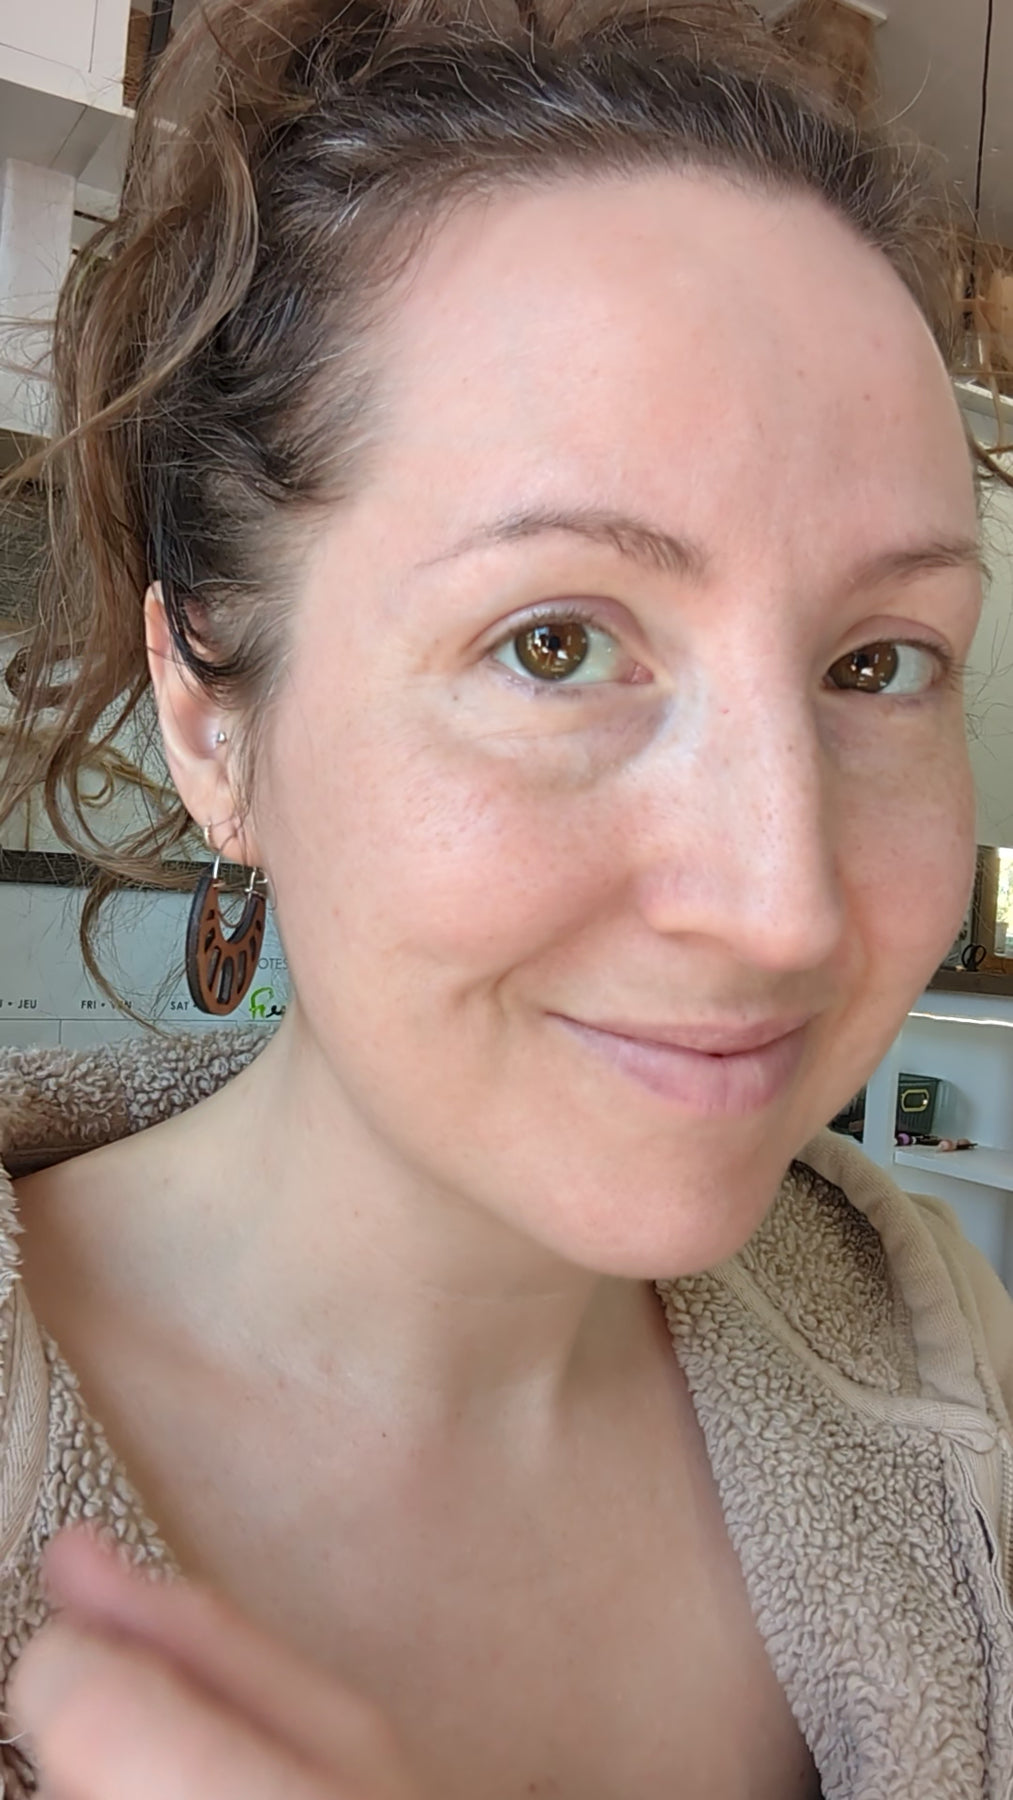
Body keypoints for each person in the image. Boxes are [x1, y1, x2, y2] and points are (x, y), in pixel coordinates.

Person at [0, 0, 1011, 1794]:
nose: (781, 909)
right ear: (208, 712)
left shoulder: (955, 1365)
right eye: (553, 644)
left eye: (875, 663)